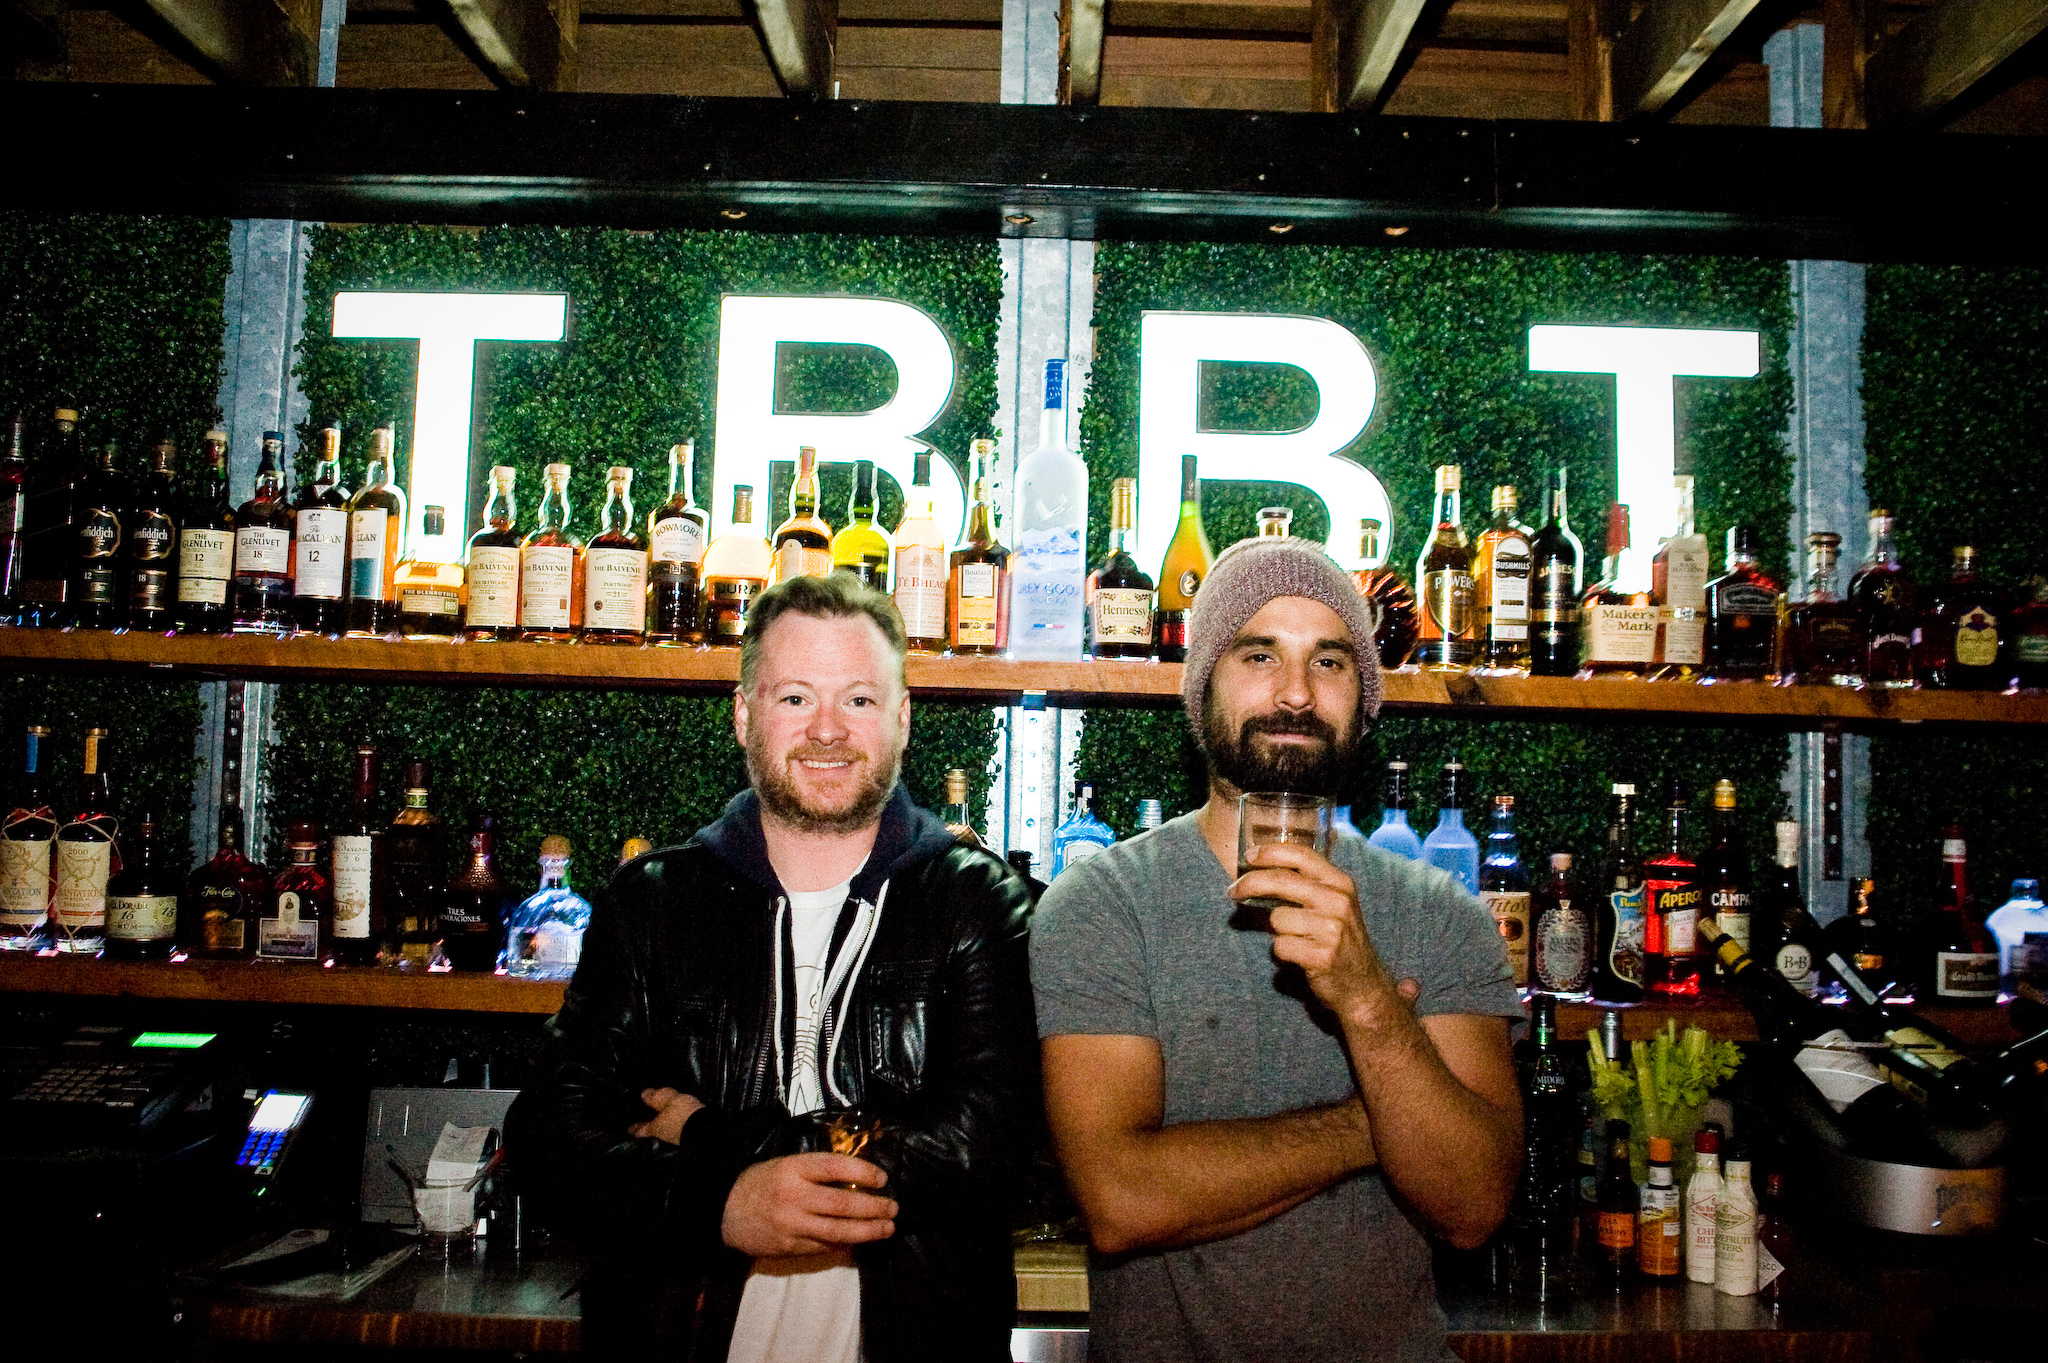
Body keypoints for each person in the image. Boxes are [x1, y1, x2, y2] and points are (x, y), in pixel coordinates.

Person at [507, 572, 1037, 1362]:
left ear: (901, 719)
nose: (828, 730)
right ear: (743, 714)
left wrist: (713, 1139)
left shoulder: (975, 902)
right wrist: (717, 1205)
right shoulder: (654, 903)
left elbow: (994, 1148)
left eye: (857, 700)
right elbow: (548, 1137)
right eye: (795, 698)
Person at [1031, 536, 1524, 1363]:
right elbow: (1119, 1197)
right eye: (1259, 653)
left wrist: (1367, 998)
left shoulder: (1441, 916)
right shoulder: (1103, 903)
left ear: (1363, 702)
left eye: (1330, 662)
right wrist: (1378, 1122)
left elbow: (1473, 1204)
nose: (1296, 692)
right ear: (1202, 692)